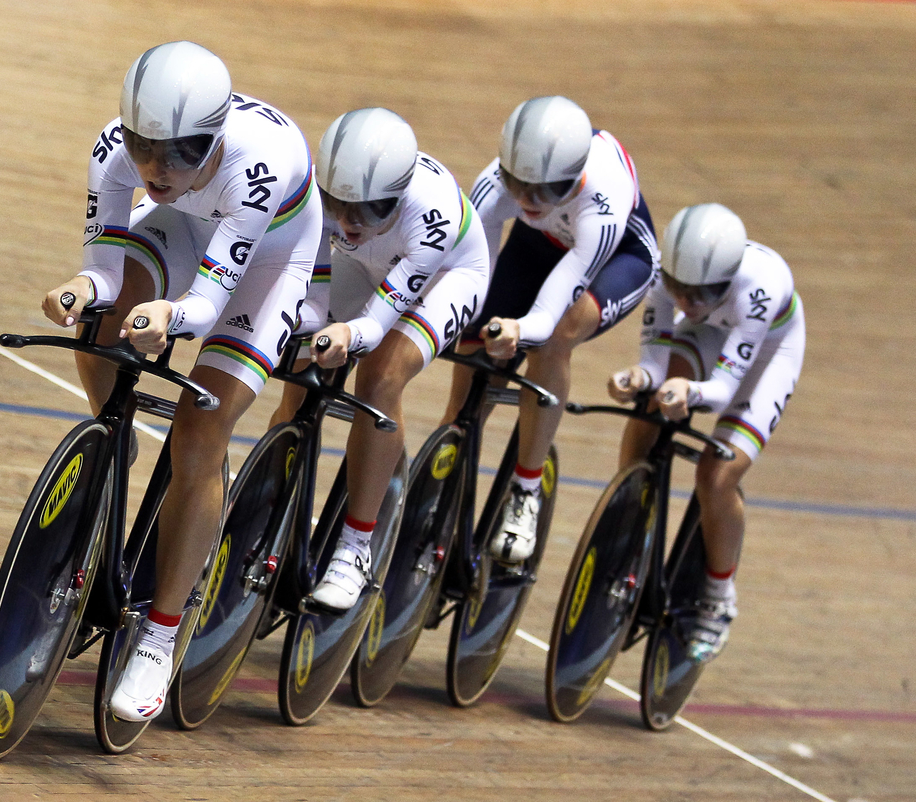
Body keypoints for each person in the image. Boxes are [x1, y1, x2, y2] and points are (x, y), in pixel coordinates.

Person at [41, 41, 322, 721]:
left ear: (216, 136)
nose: (155, 169)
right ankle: (116, 436)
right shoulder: (114, 149)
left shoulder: (259, 165)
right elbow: (106, 266)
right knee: (101, 322)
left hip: (267, 262)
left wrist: (170, 313)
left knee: (200, 436)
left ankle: (160, 635)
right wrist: (82, 287)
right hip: (189, 230)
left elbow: (208, 301)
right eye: (142, 147)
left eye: (179, 153)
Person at [274, 107, 491, 611]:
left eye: (369, 211)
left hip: (443, 277)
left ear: (396, 196)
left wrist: (348, 332)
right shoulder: (315, 191)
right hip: (363, 264)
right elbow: (312, 278)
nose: (348, 222)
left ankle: (355, 547)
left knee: (379, 376)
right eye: (338, 205)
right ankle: (273, 491)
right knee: (305, 368)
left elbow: (375, 325)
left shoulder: (429, 213)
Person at [445, 95, 658, 564]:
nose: (527, 200)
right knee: (475, 360)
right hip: (536, 244)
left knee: (556, 336)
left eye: (544, 191)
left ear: (576, 177)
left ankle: (525, 490)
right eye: (518, 184)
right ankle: (445, 465)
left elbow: (546, 312)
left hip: (617, 258)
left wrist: (518, 329)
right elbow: (469, 275)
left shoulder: (604, 200)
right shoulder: (494, 184)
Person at [607, 202, 804, 662]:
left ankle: (719, 594)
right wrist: (639, 379)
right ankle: (629, 521)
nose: (687, 303)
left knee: (717, 476)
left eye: (703, 292)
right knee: (652, 407)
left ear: (729, 277)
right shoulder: (662, 273)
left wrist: (687, 391)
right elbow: (654, 364)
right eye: (680, 290)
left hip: (767, 353)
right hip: (710, 334)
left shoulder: (759, 289)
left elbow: (719, 392)